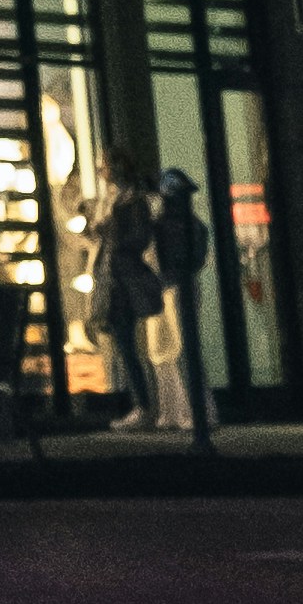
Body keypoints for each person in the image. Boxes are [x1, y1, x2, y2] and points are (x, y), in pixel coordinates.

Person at [88, 158, 165, 424]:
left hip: (123, 280)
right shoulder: (112, 199)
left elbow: (139, 237)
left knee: (129, 345)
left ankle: (144, 406)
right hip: (113, 277)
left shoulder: (132, 201)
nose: (101, 172)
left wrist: (113, 234)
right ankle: (144, 405)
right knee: (126, 345)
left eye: (104, 166)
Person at [152, 166, 219, 446]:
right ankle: (175, 411)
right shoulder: (183, 225)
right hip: (169, 286)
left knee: (180, 349)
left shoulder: (183, 226)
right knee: (163, 351)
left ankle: (196, 411)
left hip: (175, 286)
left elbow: (194, 257)